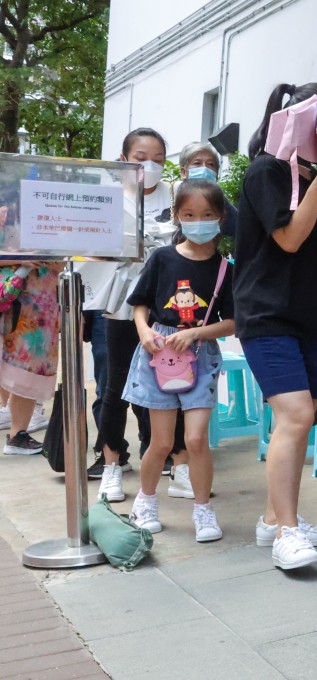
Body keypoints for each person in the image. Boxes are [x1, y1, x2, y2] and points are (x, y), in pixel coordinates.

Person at [235, 82, 317, 569]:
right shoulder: (268, 169)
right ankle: (286, 532)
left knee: (303, 416)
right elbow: (286, 238)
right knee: (296, 415)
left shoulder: (313, 176)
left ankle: (275, 519)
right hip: (268, 315)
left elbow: (308, 243)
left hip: (310, 315)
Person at [124, 179, 234, 541]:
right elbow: (140, 304)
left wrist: (195, 334)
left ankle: (203, 510)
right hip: (159, 353)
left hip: (200, 356)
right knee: (160, 443)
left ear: (220, 217)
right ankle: (145, 501)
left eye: (206, 214)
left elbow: (233, 322)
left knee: (197, 438)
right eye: (189, 214)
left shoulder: (225, 269)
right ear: (177, 216)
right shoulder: (162, 258)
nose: (198, 221)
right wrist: (144, 331)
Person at [87, 128, 177, 487]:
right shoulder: (107, 199)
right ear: (123, 159)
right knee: (115, 385)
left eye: (158, 159)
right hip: (119, 305)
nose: (150, 166)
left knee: (166, 382)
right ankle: (111, 462)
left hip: (167, 305)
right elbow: (88, 254)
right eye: (141, 159)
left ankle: (166, 457)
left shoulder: (176, 195)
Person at [0, 269, 60, 455]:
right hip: (10, 295)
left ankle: (18, 435)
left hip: (41, 303)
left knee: (30, 372)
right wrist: (24, 259)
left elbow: (61, 264)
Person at [175, 142, 238, 238]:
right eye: (197, 163)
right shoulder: (172, 193)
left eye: (211, 164)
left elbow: (242, 228)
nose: (204, 168)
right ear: (184, 172)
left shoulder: (219, 200)